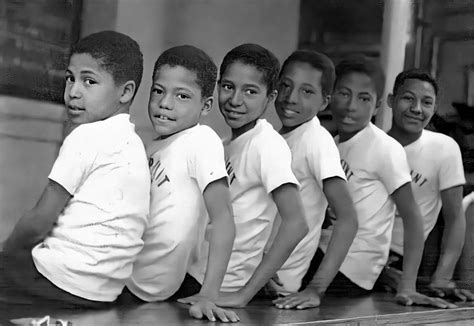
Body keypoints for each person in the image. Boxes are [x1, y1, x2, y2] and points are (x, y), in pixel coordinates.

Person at [0, 31, 150, 307]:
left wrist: (6, 251)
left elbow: (38, 221)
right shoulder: (133, 143)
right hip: (103, 291)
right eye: (70, 78)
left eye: (89, 81)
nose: (74, 91)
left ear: (125, 91)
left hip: (61, 279)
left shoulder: (86, 136)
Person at [318, 55, 454, 308]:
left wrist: (408, 287)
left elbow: (413, 219)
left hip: (351, 267)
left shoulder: (384, 148)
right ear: (329, 97)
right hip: (326, 254)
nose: (351, 106)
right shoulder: (331, 145)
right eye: (344, 94)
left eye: (364, 99)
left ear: (379, 105)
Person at [187, 43, 308, 307]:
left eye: (250, 91)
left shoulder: (267, 144)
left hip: (220, 285)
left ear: (270, 97)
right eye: (228, 86)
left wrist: (245, 294)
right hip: (197, 276)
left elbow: (296, 223)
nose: (235, 100)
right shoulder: (223, 143)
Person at [126, 45, 238, 323]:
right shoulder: (151, 147)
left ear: (206, 106)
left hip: (149, 288)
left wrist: (208, 294)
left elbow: (223, 218)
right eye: (158, 91)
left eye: (182, 96)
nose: (165, 103)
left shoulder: (201, 140)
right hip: (125, 277)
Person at [268, 50, 358, 309]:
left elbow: (348, 219)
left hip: (278, 287)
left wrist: (316, 289)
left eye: (306, 92)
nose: (290, 98)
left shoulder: (316, 140)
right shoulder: (277, 138)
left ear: (324, 102)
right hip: (252, 274)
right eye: (285, 85)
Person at [386, 69, 474, 301]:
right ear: (390, 100)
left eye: (426, 102)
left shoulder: (443, 149)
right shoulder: (372, 145)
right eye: (408, 98)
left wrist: (442, 277)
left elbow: (455, 217)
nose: (416, 109)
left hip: (406, 260)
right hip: (359, 256)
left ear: (434, 109)